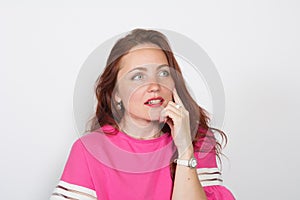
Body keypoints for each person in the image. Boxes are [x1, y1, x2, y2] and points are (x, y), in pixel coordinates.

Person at [50, 28, 235, 200]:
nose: (154, 85)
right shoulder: (90, 149)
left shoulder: (198, 140)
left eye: (163, 73)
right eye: (138, 76)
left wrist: (186, 149)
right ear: (116, 94)